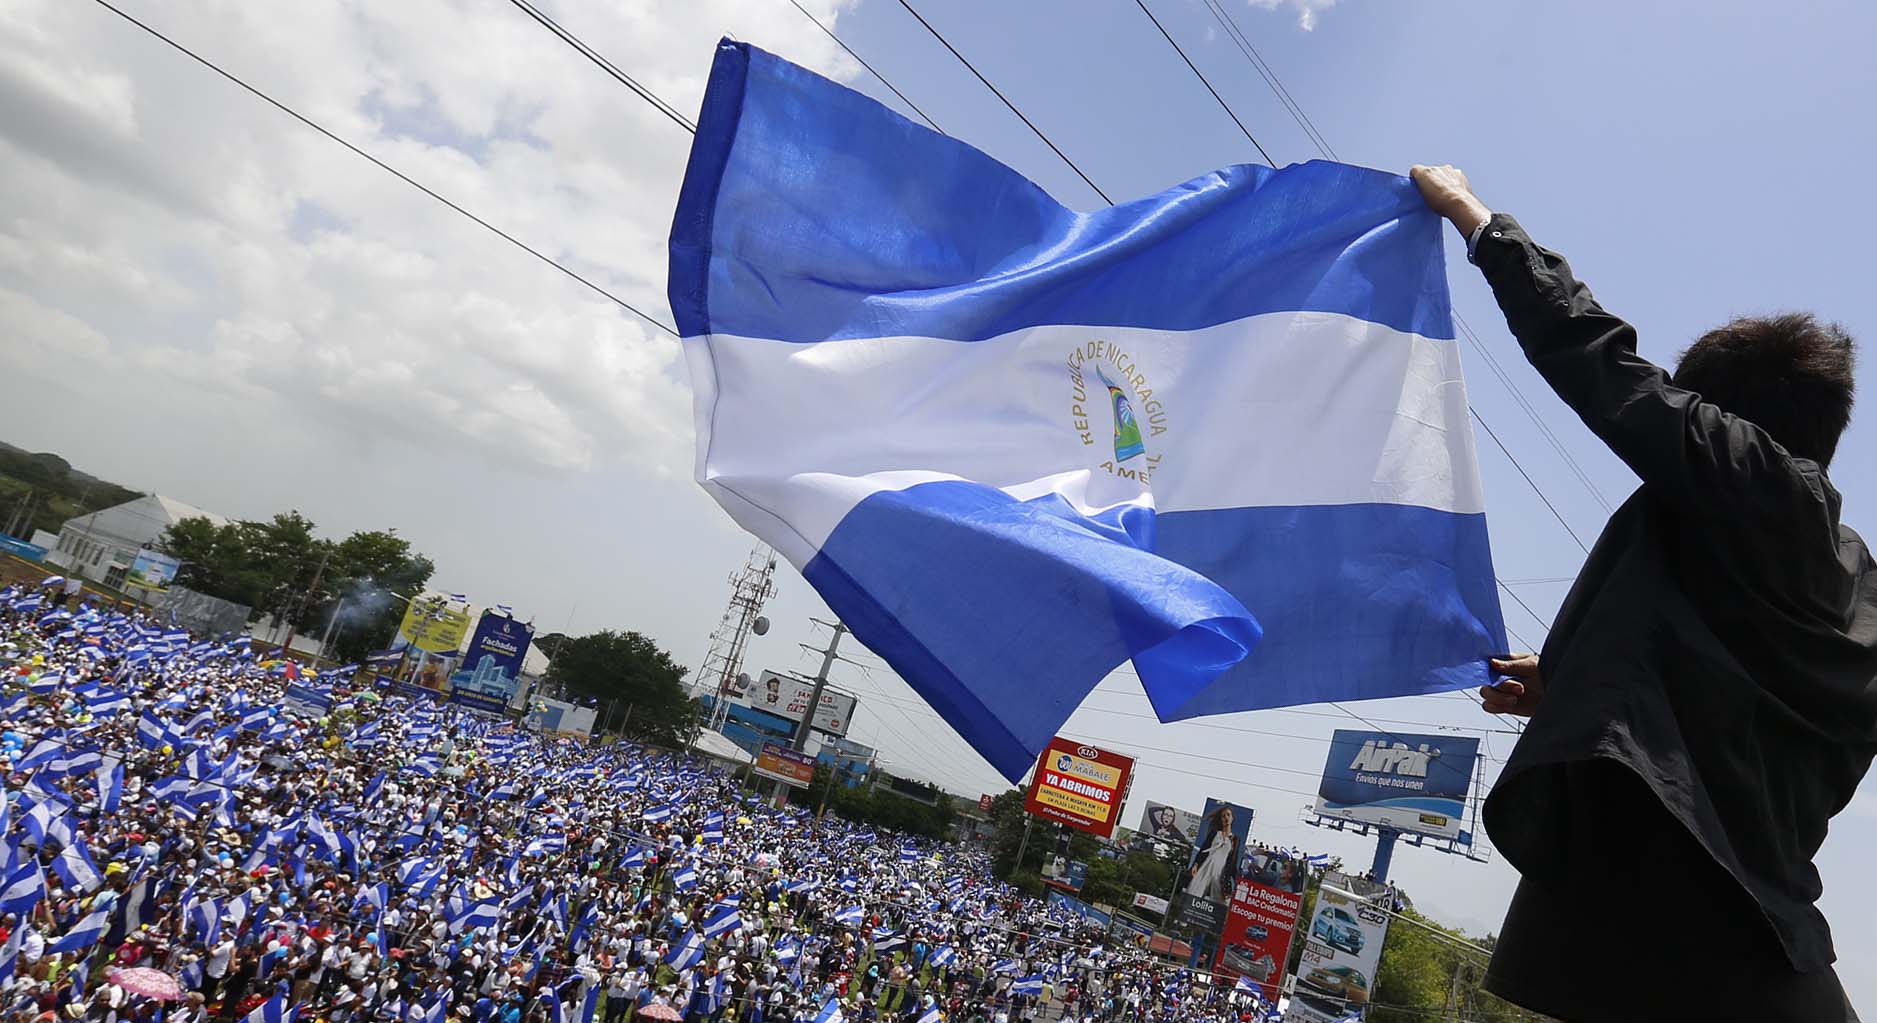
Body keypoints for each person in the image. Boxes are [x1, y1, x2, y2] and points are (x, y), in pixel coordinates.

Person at [1411, 164, 1873, 1022]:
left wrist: (1477, 222)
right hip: (1757, 934)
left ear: (1720, 419)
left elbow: (1604, 366)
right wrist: (1578, 690)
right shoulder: (1849, 584)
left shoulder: (1758, 479)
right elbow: (1747, 719)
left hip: (1668, 908)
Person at [1181, 806, 1237, 903]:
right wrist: (1196, 864)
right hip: (1208, 865)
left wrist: (1236, 878)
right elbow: (1203, 849)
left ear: (1232, 818)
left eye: (1228, 815)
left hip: (1221, 871)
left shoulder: (1235, 839)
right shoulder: (1215, 834)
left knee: (1220, 901)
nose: (1226, 818)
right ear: (1220, 819)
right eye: (1223, 816)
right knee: (1194, 892)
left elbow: (1233, 859)